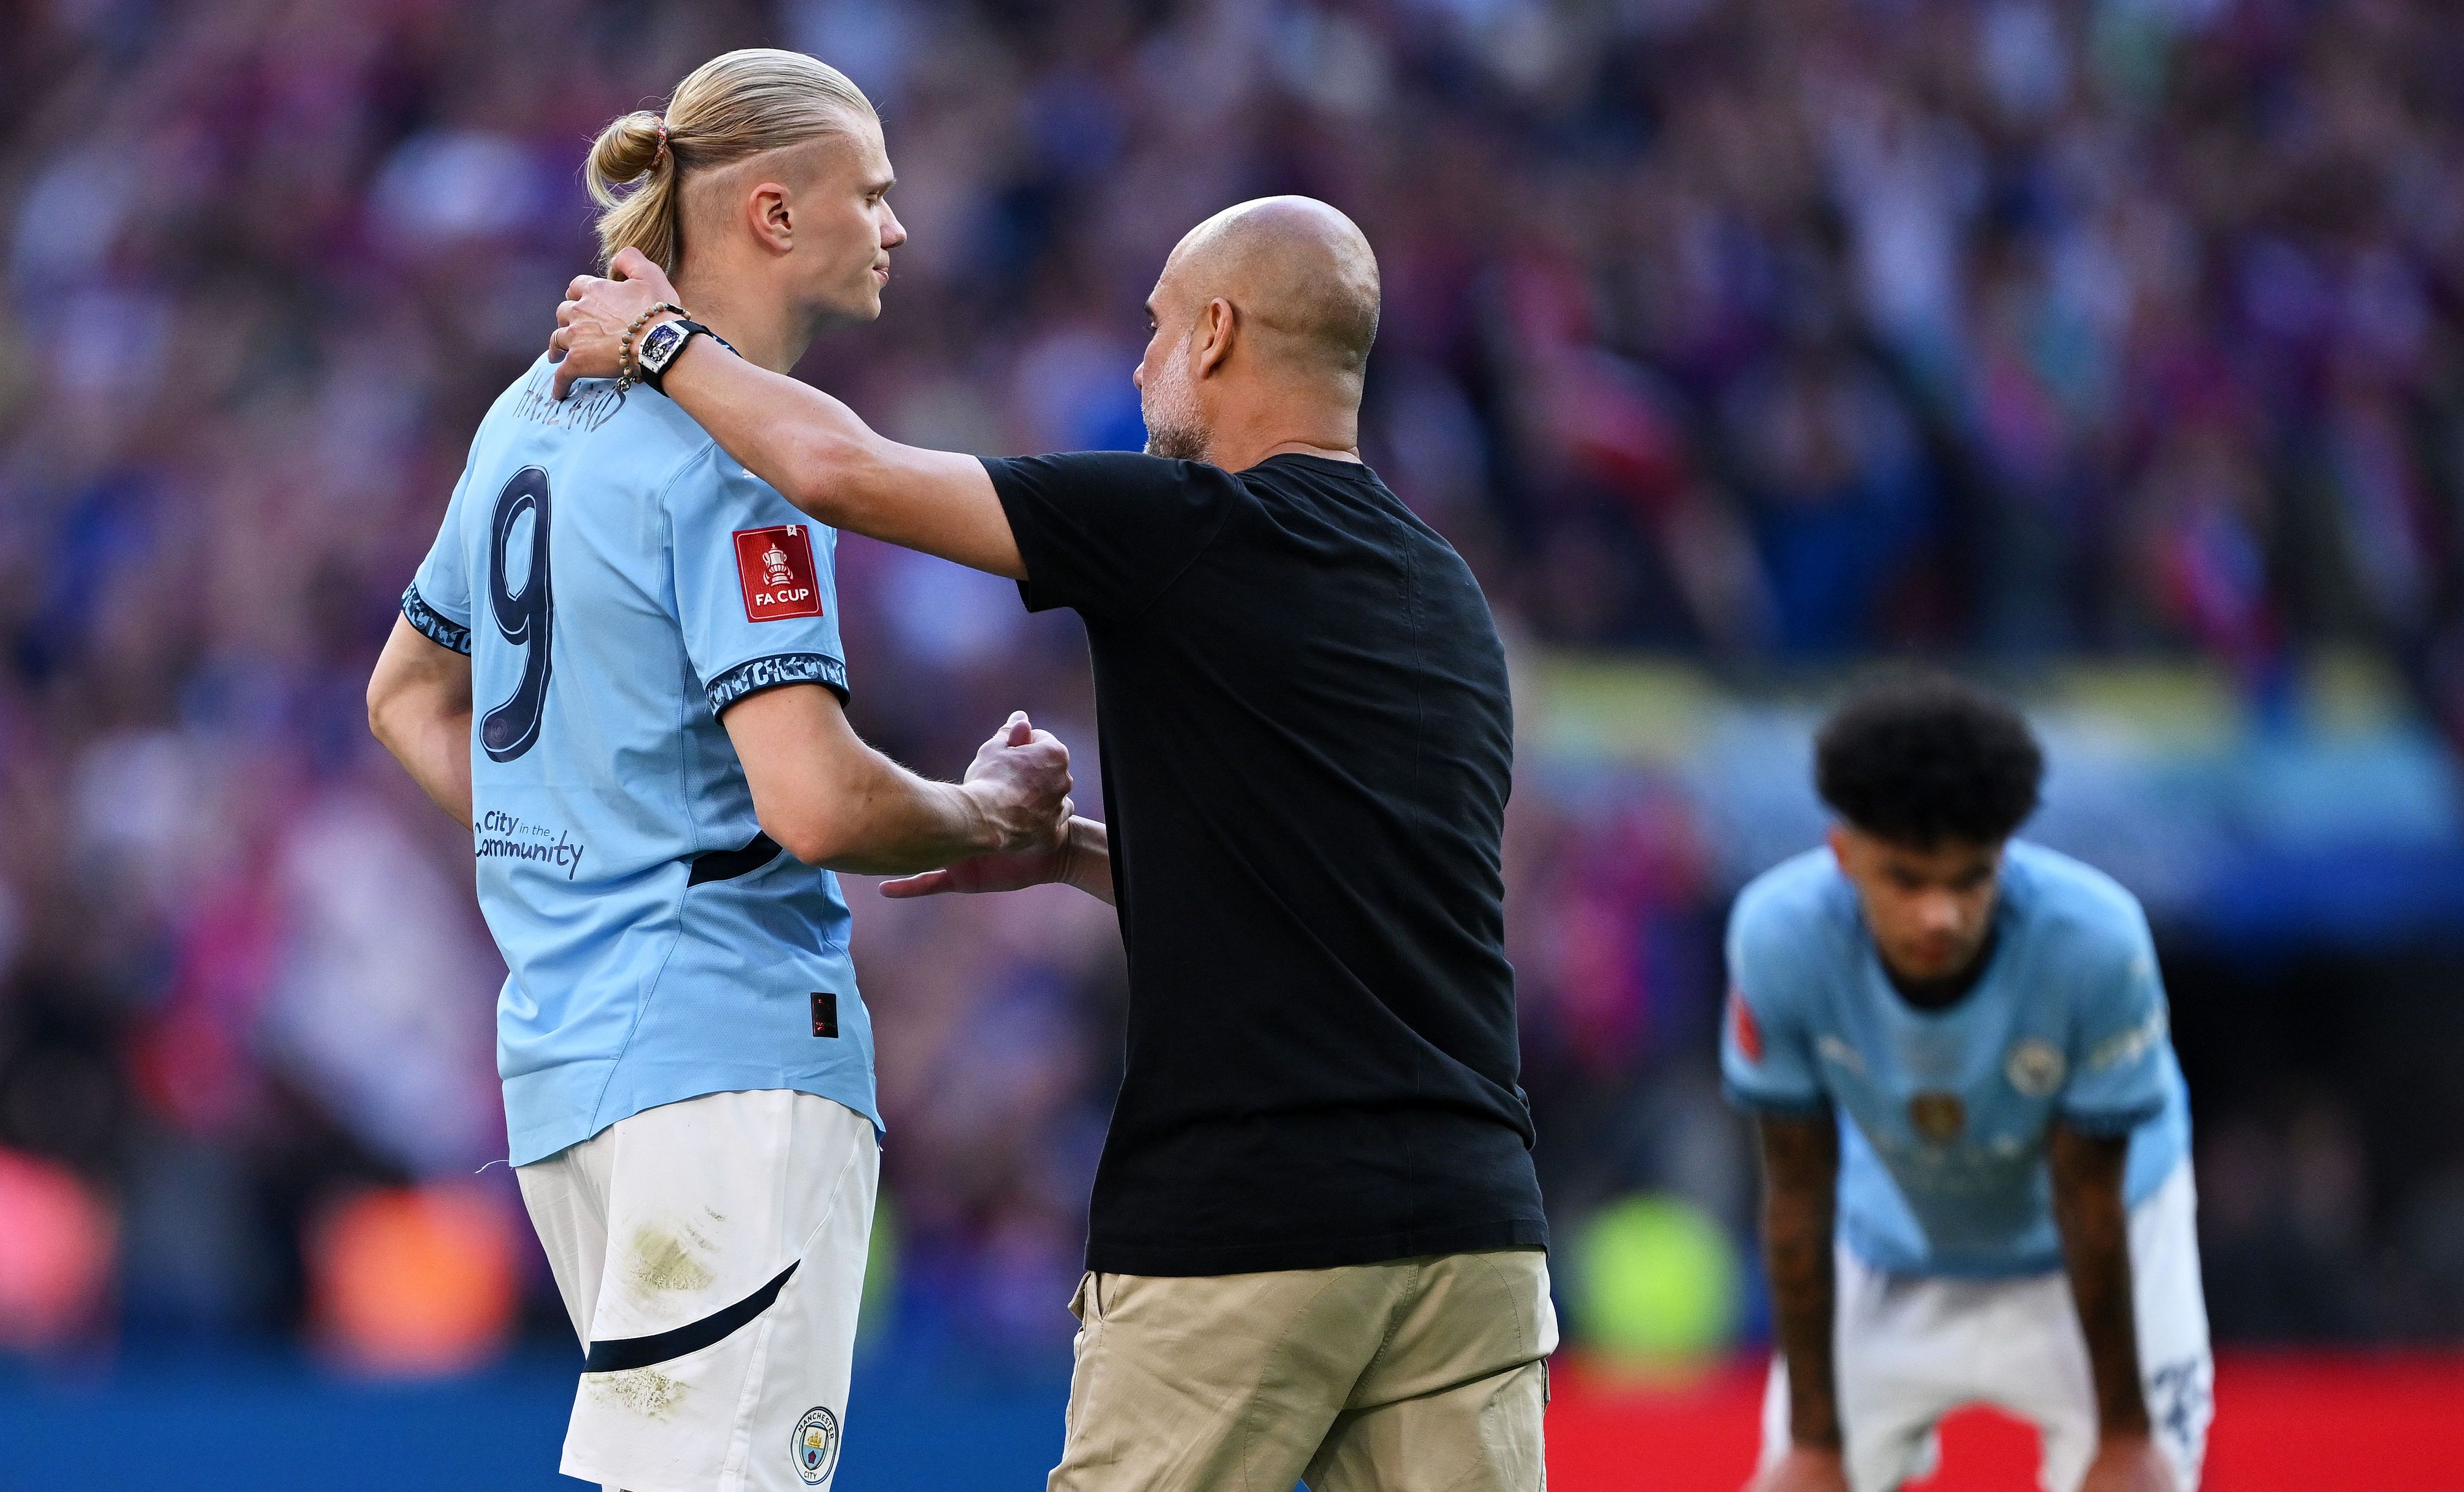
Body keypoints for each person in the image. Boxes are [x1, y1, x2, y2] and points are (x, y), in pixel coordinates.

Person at [548, 193, 1554, 1492]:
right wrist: (1074, 850)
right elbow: (1346, 902)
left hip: (1249, 1219)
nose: (1135, 365)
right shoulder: (1447, 595)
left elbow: (842, 474)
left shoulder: (1185, 528)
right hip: (1474, 1238)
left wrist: (665, 340)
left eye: (1149, 330)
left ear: (1215, 333)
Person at [363, 49, 1073, 1492]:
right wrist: (984, 813)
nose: (896, 226)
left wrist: (577, 851)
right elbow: (812, 799)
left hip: (565, 1068)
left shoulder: (525, 411)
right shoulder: (743, 455)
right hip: (727, 1057)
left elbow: (405, 698)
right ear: (768, 212)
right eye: (869, 194)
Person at [1726, 676, 2210, 1492]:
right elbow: (1797, 1190)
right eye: (1907, 881)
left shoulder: (2096, 943)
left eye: (1969, 879)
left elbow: (2088, 1197)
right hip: (1896, 1238)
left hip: (2105, 1241)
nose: (1939, 915)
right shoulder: (1780, 940)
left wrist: (2126, 1435)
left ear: (2005, 854)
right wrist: (1813, 1442)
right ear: (1844, 854)